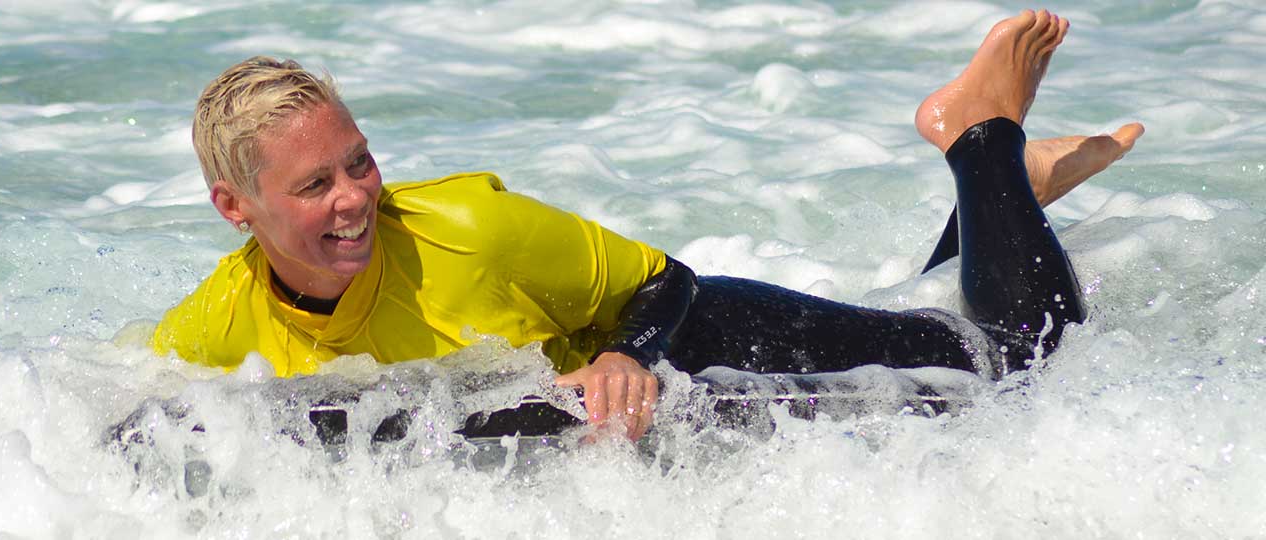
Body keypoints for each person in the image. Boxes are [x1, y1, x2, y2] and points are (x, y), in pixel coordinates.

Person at [152, 9, 1144, 441]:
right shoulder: (217, 321)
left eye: (358, 161)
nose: (356, 197)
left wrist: (626, 356)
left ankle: (980, 135)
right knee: (953, 324)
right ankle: (1009, 206)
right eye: (314, 186)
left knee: (1021, 360)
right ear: (234, 209)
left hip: (722, 339)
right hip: (696, 382)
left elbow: (669, 281)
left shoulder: (466, 226)